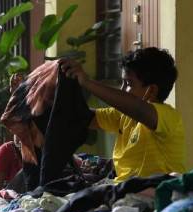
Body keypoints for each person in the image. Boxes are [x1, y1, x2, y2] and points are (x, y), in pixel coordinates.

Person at [60, 47, 185, 182]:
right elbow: (83, 117)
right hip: (123, 191)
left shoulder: (169, 117)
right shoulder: (123, 116)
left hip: (154, 194)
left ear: (151, 91)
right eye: (122, 83)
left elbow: (138, 108)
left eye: (128, 83)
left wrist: (87, 82)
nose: (122, 89)